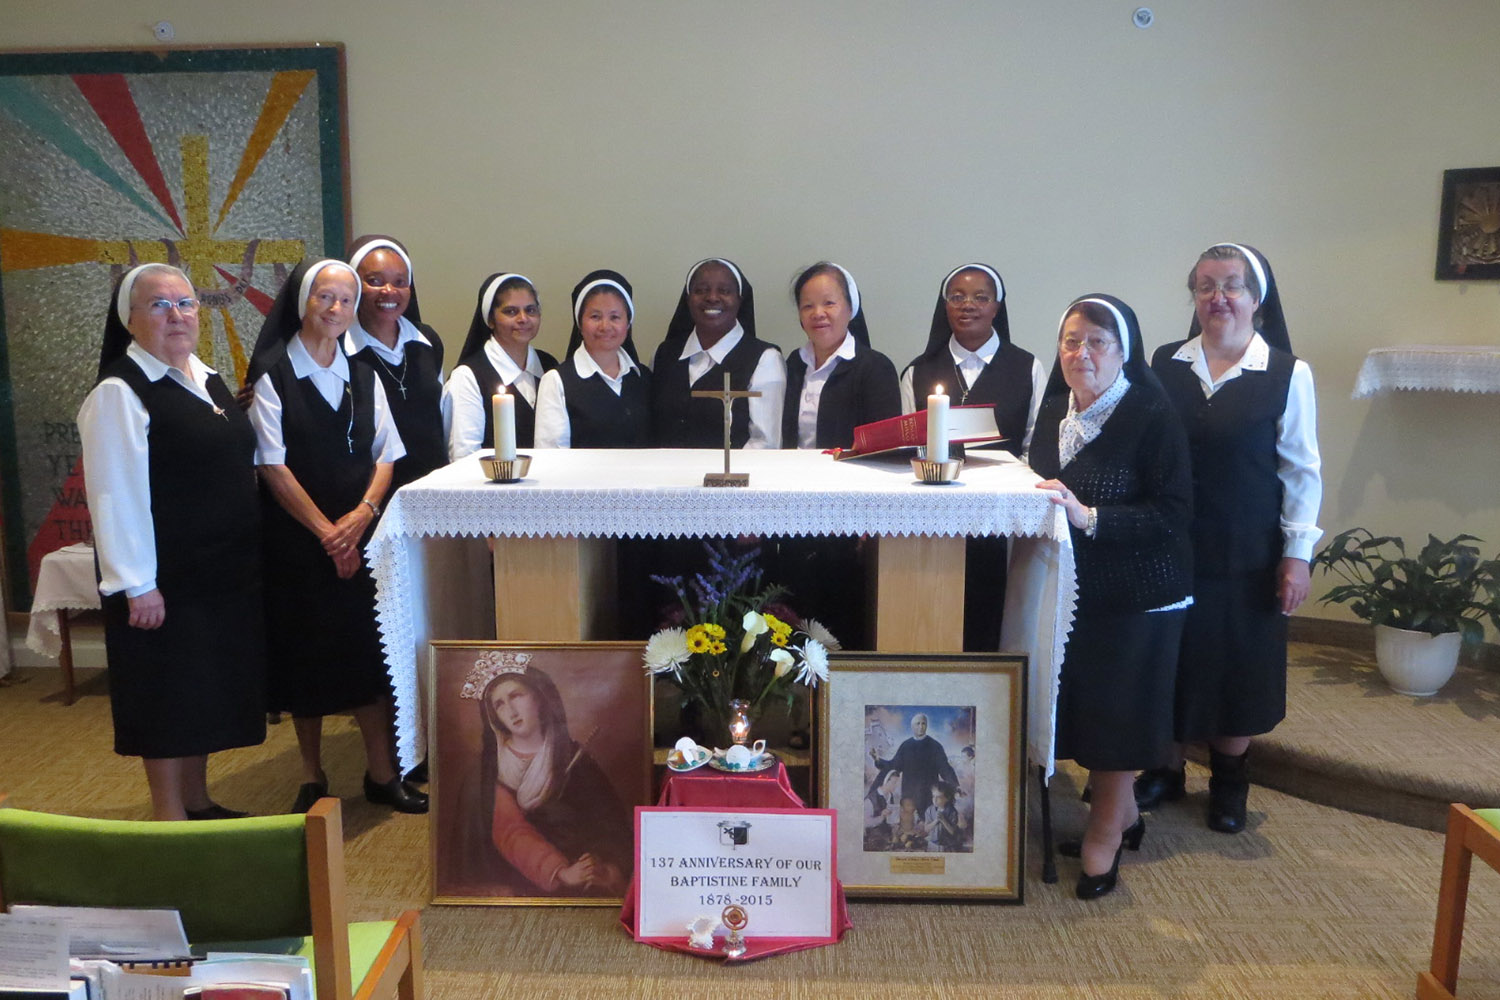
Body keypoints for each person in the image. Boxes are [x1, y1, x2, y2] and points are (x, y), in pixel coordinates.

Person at [1138, 243, 1322, 833]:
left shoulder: (1287, 373)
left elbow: (1301, 470)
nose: (1218, 298)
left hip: (1247, 548)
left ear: (1257, 298)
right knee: (1172, 656)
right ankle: (1165, 768)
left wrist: (1297, 555)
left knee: (1237, 664)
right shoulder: (1166, 362)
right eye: (1206, 286)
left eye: (1232, 285)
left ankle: (1229, 783)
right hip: (1172, 543)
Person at [78, 263, 266, 821]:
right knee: (166, 697)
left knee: (203, 695)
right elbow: (113, 496)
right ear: (130, 319)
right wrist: (137, 584)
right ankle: (169, 818)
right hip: (164, 583)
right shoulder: (120, 392)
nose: (176, 315)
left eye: (185, 303)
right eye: (159, 305)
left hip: (218, 575)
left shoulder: (206, 378)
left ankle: (197, 802)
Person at [245, 258, 427, 815]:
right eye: (325, 297)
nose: (336, 308)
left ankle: (381, 773)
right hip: (299, 543)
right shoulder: (273, 376)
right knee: (306, 656)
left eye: (346, 300)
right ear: (302, 302)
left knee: (368, 654)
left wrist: (362, 516)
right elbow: (271, 465)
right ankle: (311, 774)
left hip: (360, 535)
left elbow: (387, 454)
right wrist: (329, 534)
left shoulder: (363, 374)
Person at [1031, 294, 1193, 899]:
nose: (1083, 353)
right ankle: (1122, 814)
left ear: (1124, 352)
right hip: (1078, 591)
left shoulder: (1152, 413)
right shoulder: (1055, 409)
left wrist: (1089, 516)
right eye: (1072, 341)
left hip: (1140, 593)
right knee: (1089, 708)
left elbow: (1173, 512)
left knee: (1117, 716)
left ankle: (1105, 833)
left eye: (1098, 342)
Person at [901, 263, 1046, 651]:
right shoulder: (917, 371)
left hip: (1003, 523)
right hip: (933, 523)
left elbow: (1034, 447)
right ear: (944, 306)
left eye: (981, 297)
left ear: (997, 306)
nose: (968, 305)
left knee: (994, 624)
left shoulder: (1027, 367)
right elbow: (909, 451)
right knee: (933, 622)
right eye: (957, 297)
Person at [779, 262, 900, 648]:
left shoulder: (874, 368)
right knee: (792, 620)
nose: (818, 313)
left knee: (843, 622)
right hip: (793, 512)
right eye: (807, 305)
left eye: (829, 303)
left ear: (851, 308)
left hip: (848, 520)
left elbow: (885, 452)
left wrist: (868, 520)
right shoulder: (792, 365)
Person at [473, 665, 632, 896]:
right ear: (493, 717)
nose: (511, 710)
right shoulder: (489, 772)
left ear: (539, 699)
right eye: (499, 704)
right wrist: (559, 872)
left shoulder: (574, 759)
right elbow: (509, 831)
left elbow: (609, 822)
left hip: (582, 877)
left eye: (516, 696)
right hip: (521, 882)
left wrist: (601, 865)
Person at [343, 235, 446, 491]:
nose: (389, 291)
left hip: (431, 488)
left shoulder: (427, 340)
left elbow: (439, 418)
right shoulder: (338, 349)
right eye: (375, 281)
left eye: (400, 282)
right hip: (368, 493)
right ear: (354, 284)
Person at [651, 257, 785, 448]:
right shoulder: (663, 354)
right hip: (661, 468)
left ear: (740, 299)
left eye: (724, 291)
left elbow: (765, 443)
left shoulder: (765, 360)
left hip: (733, 468)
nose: (712, 297)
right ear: (688, 299)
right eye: (701, 290)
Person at [443, 271, 559, 460]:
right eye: (511, 311)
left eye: (530, 310)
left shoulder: (549, 366)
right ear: (490, 320)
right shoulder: (468, 377)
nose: (523, 318)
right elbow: (464, 455)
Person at [534, 269, 651, 448]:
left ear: (627, 324)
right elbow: (552, 455)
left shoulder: (644, 377)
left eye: (615, 317)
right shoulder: (556, 381)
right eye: (595, 317)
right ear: (580, 324)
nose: (605, 326)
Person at [870, 712, 959, 817]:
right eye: (918, 724)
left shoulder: (935, 746)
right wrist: (878, 760)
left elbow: (945, 768)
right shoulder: (905, 746)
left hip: (928, 793)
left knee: (927, 820)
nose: (921, 726)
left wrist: (955, 785)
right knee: (909, 820)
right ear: (912, 726)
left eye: (923, 723)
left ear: (926, 725)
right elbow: (894, 765)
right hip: (909, 793)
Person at [924, 782, 966, 852]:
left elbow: (952, 832)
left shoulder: (952, 812)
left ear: (947, 798)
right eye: (933, 796)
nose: (935, 800)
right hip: (933, 844)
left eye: (939, 797)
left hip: (947, 846)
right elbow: (926, 829)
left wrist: (943, 820)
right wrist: (936, 821)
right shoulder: (930, 810)